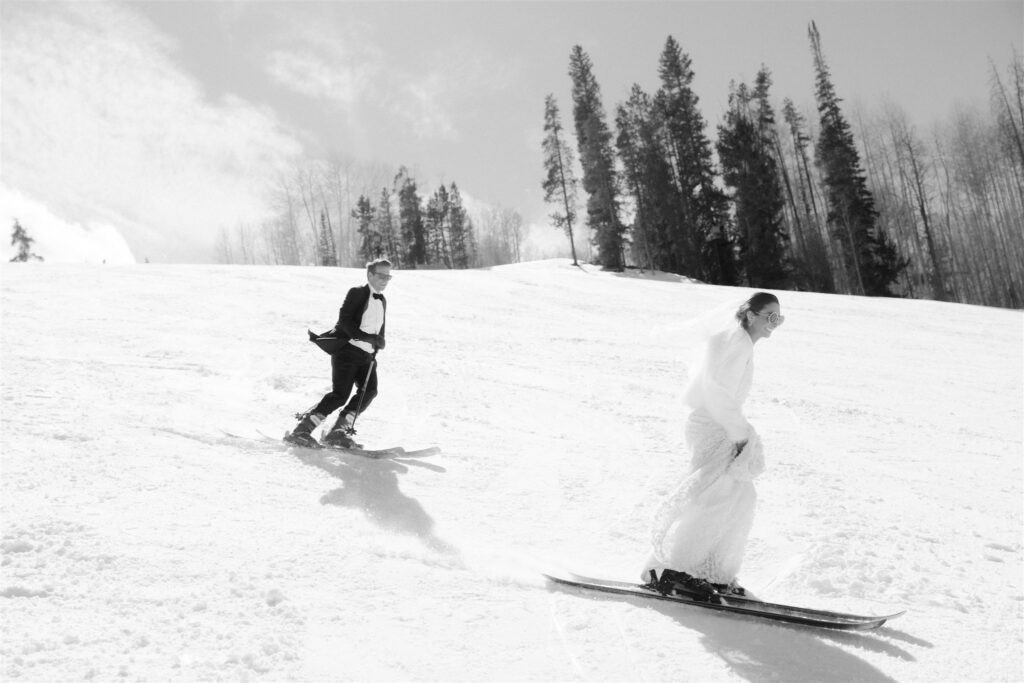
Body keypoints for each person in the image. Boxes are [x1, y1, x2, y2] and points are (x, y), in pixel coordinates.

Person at [642, 292, 784, 600]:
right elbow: (716, 392)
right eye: (771, 316)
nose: (776, 323)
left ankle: (714, 572)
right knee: (716, 496)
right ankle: (670, 572)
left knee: (737, 494)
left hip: (716, 423)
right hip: (713, 426)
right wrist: (740, 433)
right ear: (750, 315)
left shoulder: (737, 341)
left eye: (779, 318)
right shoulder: (737, 342)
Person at [285, 258, 392, 449]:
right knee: (340, 395)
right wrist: (367, 337)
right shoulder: (357, 293)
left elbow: (378, 327)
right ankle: (301, 431)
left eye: (388, 276)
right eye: (381, 275)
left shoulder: (382, 300)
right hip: (348, 352)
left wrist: (380, 341)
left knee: (370, 392)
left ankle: (338, 432)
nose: (385, 280)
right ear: (370, 275)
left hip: (367, 357)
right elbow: (344, 321)